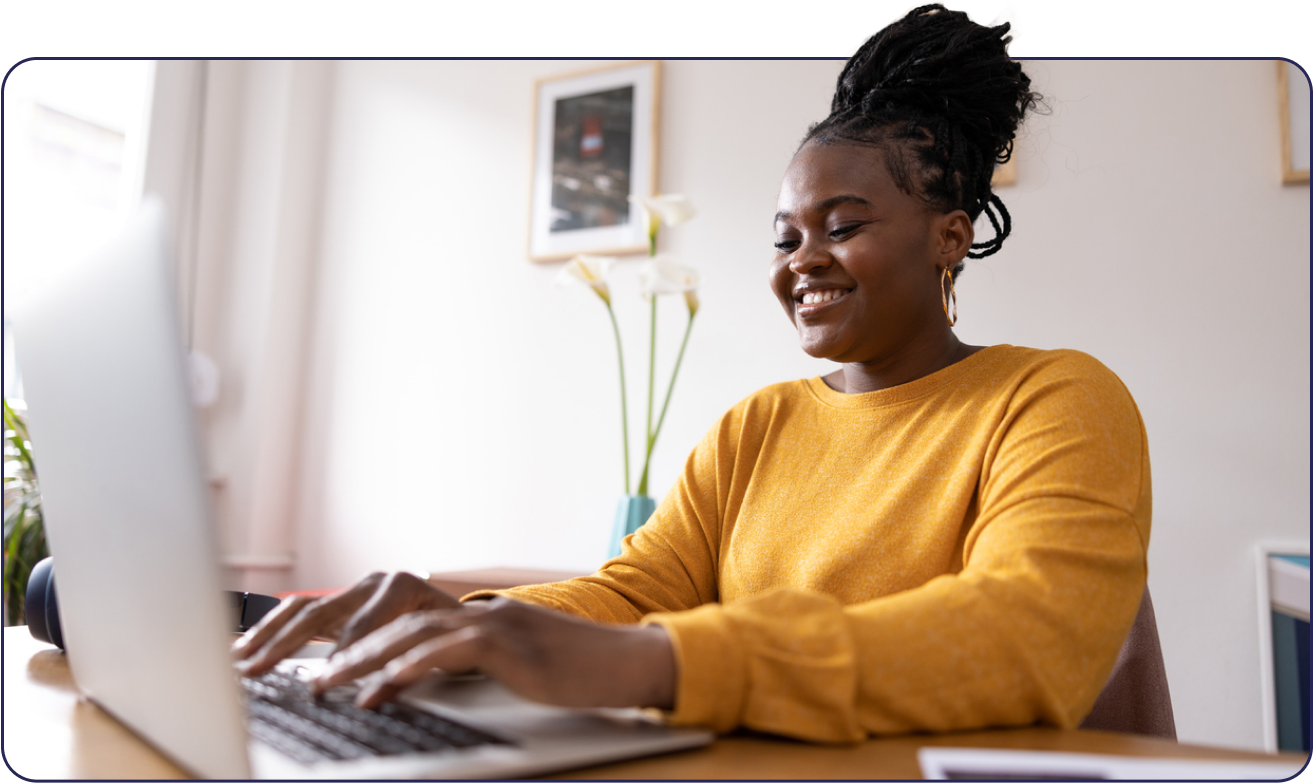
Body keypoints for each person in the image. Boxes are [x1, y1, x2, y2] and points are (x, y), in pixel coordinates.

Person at [233, 5, 1151, 743]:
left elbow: (1028, 635)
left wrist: (662, 663)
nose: (803, 260)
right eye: (785, 236)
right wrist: (466, 617)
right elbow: (634, 592)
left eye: (843, 225)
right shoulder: (758, 426)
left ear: (948, 235)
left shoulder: (1055, 397)